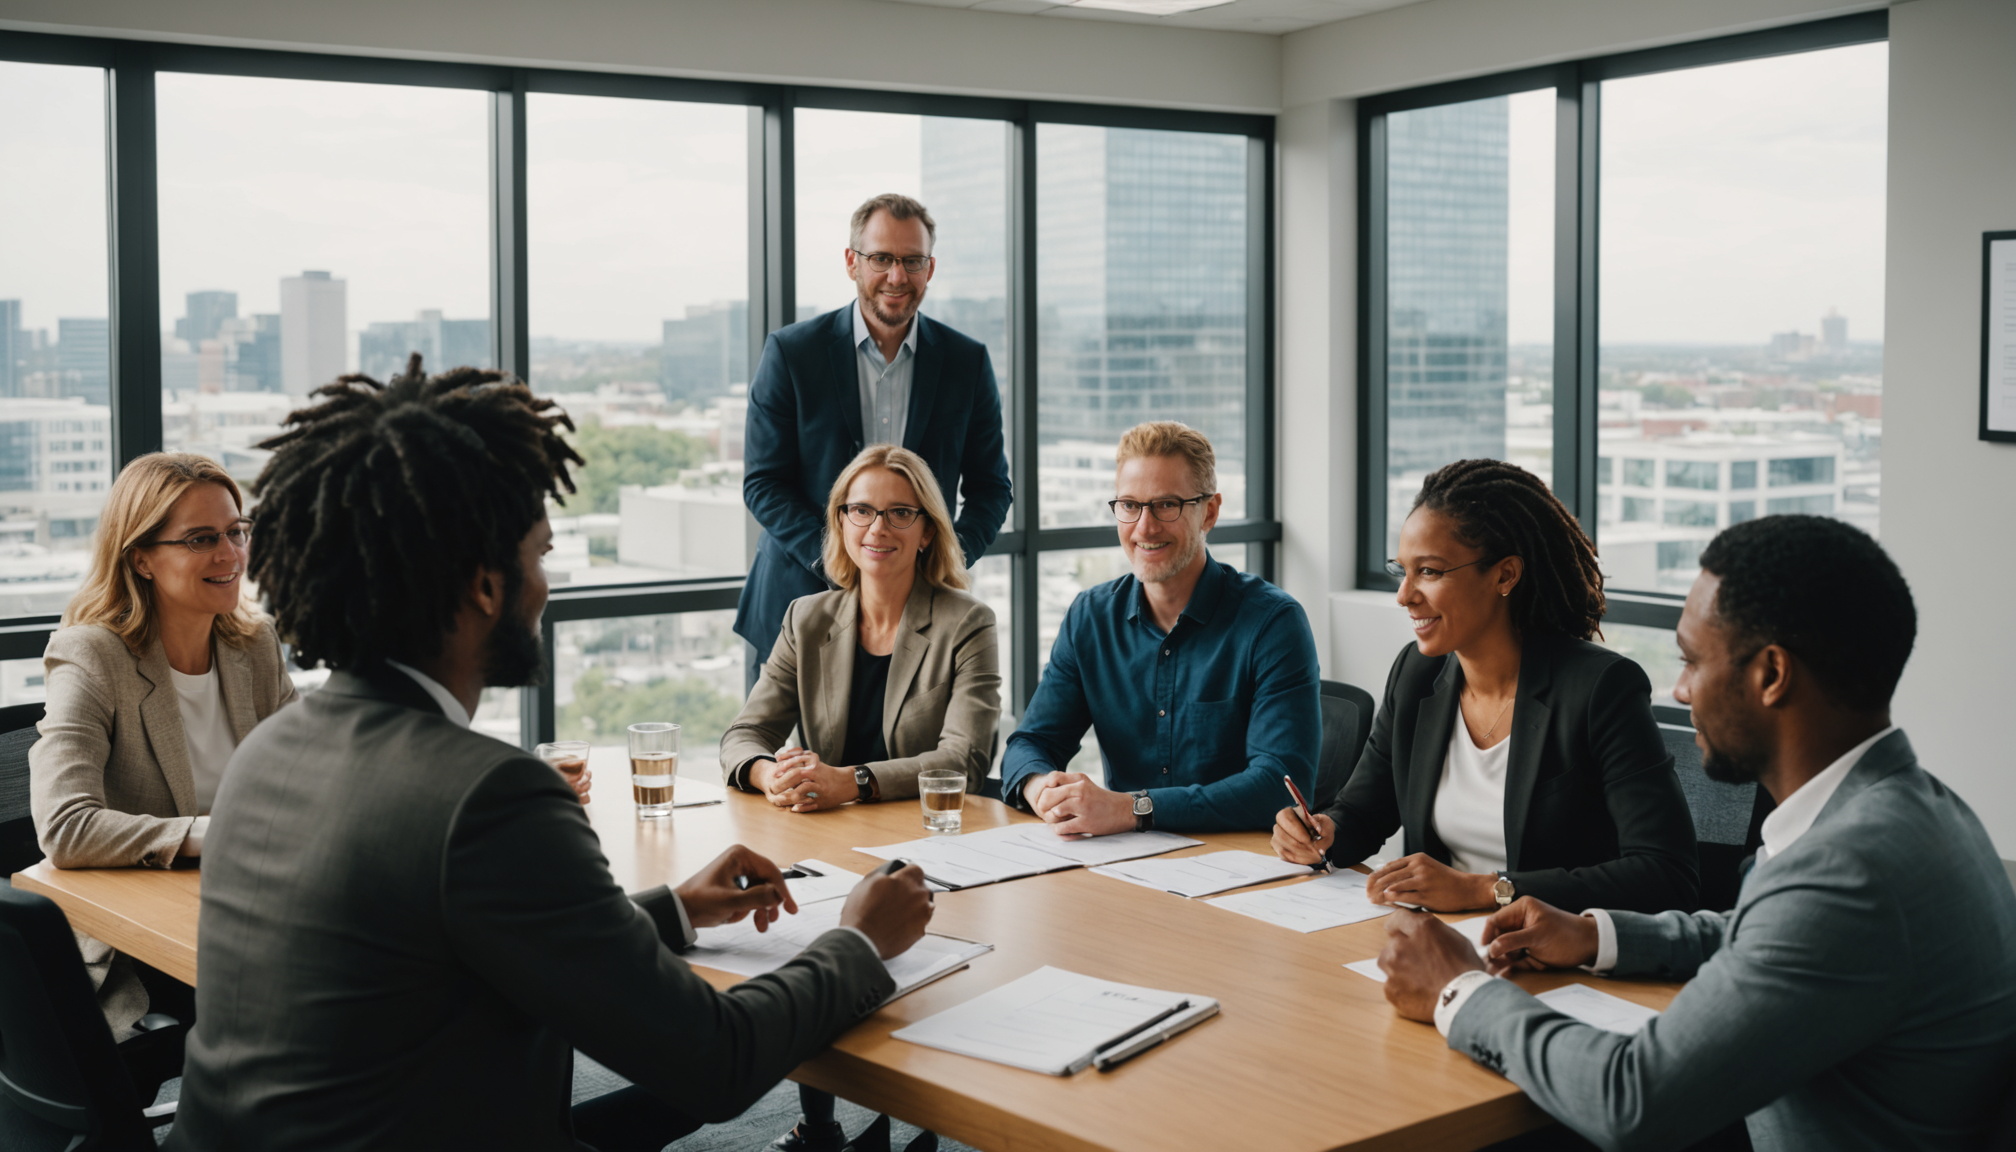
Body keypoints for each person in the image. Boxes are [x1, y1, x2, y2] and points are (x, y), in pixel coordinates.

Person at [166, 356, 935, 1152]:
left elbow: (456, 941)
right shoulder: (490, 795)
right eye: (538, 556)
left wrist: (675, 909)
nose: (544, 585)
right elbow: (716, 1062)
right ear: (484, 586)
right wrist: (860, 941)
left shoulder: (269, 750)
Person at [1377, 515, 2016, 1151]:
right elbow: (1767, 933)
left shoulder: (1848, 873)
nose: (1680, 692)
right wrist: (1596, 934)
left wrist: (1459, 992)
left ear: (1772, 675)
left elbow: (1633, 1099)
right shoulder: (1918, 808)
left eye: (1691, 662)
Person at [721, 445, 996, 1152]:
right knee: (810, 952)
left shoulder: (966, 621)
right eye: (861, 510)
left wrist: (854, 781)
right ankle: (819, 1128)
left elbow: (963, 759)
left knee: (906, 980)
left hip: (935, 848)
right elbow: (744, 734)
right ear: (841, 523)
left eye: (900, 513)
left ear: (927, 530)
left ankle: (927, 1127)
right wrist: (768, 775)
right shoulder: (807, 617)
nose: (879, 527)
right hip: (830, 843)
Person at [1273, 459, 1698, 914]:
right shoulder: (1417, 673)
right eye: (1402, 571)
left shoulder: (1600, 689)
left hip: (1550, 946)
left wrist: (1486, 890)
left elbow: (1666, 876)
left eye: (1429, 572)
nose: (1404, 595)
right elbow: (1362, 813)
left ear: (1505, 575)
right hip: (1437, 938)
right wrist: (1322, 832)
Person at [28, 453, 299, 1100]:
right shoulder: (92, 655)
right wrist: (215, 834)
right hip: (143, 946)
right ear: (142, 558)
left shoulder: (253, 645)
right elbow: (65, 827)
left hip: (255, 905)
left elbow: (310, 773)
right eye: (201, 538)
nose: (230, 553)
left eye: (236, 531)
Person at [738, 192, 1012, 680]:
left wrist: (940, 562)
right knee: (784, 736)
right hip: (798, 604)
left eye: (912, 261)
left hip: (919, 619)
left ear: (930, 268)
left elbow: (991, 489)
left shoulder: (966, 362)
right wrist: (840, 559)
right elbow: (763, 483)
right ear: (852, 262)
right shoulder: (791, 353)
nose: (897, 276)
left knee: (912, 736)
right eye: (881, 258)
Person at [1000, 421, 1319, 835]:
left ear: (1209, 512)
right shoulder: (1091, 618)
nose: (1145, 527)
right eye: (1130, 505)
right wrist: (1041, 788)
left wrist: (1133, 808)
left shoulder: (1272, 623)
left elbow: (1278, 786)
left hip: (1238, 859)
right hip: (1125, 859)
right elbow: (1030, 744)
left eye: (1167, 505)